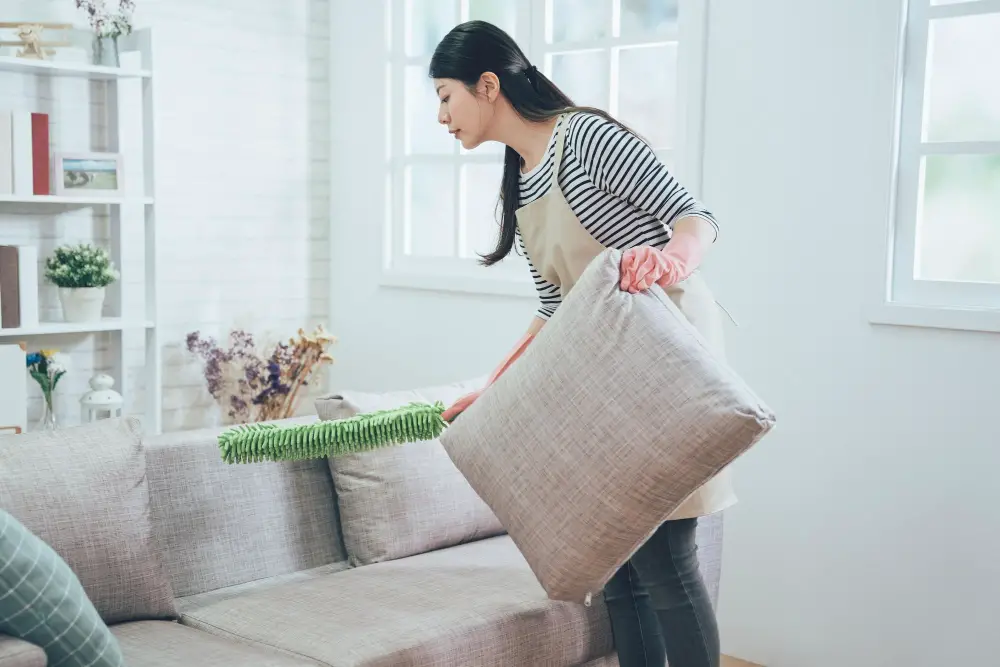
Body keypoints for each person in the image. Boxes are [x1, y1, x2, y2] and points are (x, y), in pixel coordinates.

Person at [429, 20, 736, 667]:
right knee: (616, 563)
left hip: (668, 358)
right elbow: (553, 306)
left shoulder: (586, 139)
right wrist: (492, 387)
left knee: (666, 559)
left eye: (445, 95)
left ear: (488, 86)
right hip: (611, 373)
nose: (441, 115)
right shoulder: (523, 182)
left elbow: (695, 217)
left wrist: (670, 260)